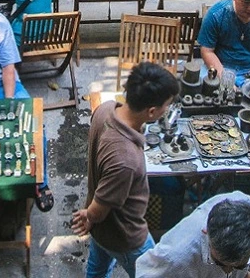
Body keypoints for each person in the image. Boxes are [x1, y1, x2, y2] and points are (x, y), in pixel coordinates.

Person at [71, 62, 179, 278]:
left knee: (97, 269)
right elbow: (99, 211)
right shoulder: (125, 159)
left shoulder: (105, 109)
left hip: (104, 231)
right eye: (166, 105)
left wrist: (92, 218)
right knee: (154, 274)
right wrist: (88, 216)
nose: (167, 110)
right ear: (151, 112)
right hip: (125, 234)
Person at [136, 192, 250, 277]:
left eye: (240, 265)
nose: (228, 271)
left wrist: (244, 272)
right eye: (220, 263)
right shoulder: (176, 259)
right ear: (206, 233)